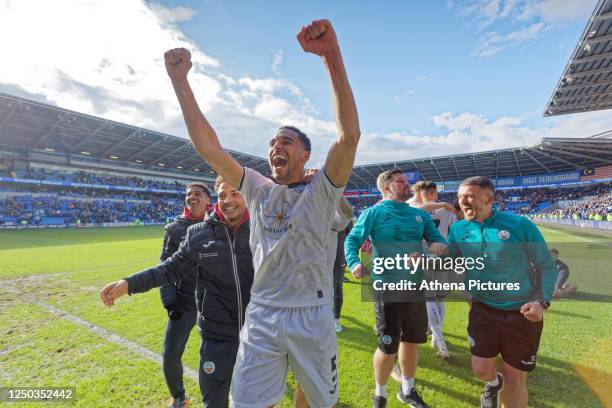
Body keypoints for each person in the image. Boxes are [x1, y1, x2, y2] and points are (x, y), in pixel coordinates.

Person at [162, 18, 360, 408]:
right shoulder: (257, 187)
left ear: (305, 155)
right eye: (271, 143)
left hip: (311, 312)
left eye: (285, 141)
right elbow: (209, 149)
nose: (275, 147)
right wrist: (180, 81)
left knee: (320, 403)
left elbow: (348, 136)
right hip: (264, 311)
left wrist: (330, 56)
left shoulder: (322, 190)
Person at [100, 178, 253, 408]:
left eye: (235, 194)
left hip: (257, 332)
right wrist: (128, 283)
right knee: (214, 403)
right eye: (223, 195)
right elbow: (169, 268)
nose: (228, 200)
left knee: (253, 401)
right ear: (216, 200)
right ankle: (179, 396)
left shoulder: (263, 228)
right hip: (216, 334)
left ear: (248, 195)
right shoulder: (198, 234)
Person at [448, 176, 558, 408]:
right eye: (459, 196)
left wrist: (541, 301)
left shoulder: (519, 225)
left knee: (515, 380)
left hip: (522, 313)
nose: (462, 201)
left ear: (489, 198)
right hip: (482, 309)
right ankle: (491, 383)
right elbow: (451, 262)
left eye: (469, 196)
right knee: (481, 370)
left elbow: (546, 266)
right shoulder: (458, 229)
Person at [345, 169, 447, 408]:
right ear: (386, 188)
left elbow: (437, 240)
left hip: (415, 287)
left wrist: (437, 248)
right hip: (387, 288)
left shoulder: (418, 216)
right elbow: (352, 240)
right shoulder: (374, 213)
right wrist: (354, 262)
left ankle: (408, 391)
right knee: (388, 345)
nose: (406, 185)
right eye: (400, 182)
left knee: (412, 341)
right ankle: (380, 395)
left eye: (406, 181)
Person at [159, 183, 211, 407]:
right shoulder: (173, 229)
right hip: (185, 302)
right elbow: (164, 265)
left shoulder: (219, 224)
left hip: (214, 303)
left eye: (197, 194)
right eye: (189, 195)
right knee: (170, 354)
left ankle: (225, 392)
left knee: (218, 353)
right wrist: (170, 300)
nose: (192, 198)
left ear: (209, 199)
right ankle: (179, 397)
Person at [420, 181, 457, 359]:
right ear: (434, 193)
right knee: (439, 299)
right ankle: (438, 337)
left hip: (425, 259)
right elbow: (454, 229)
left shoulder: (415, 207)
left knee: (431, 299)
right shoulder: (445, 208)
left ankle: (438, 337)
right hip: (440, 257)